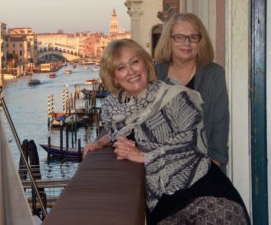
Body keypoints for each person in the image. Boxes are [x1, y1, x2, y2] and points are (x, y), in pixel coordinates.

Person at [83, 39, 248, 224]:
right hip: (163, 206)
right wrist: (100, 143)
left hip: (205, 198)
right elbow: (124, 132)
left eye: (135, 62)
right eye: (121, 68)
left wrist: (145, 156)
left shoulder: (176, 96)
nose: (131, 72)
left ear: (145, 63)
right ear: (114, 77)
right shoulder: (115, 109)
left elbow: (193, 143)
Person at [154, 13, 229, 170]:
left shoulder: (213, 74)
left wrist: (214, 165)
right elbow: (137, 115)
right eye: (180, 37)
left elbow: (220, 123)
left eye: (193, 37)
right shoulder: (155, 74)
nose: (187, 43)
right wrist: (105, 140)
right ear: (169, 40)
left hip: (203, 164)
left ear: (201, 41)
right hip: (162, 165)